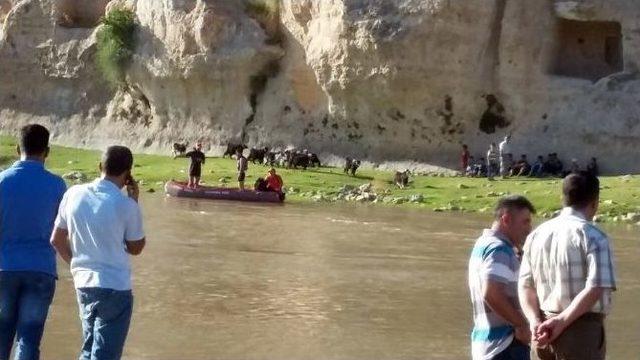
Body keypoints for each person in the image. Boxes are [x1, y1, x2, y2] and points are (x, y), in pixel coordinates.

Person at [50, 146, 146, 360]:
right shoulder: (126, 205)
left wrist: (76, 266)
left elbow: (56, 239)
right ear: (128, 173)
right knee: (105, 354)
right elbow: (136, 247)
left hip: (83, 283)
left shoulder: (73, 194)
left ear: (99, 166)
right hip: (115, 285)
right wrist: (134, 202)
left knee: (88, 348)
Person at [518, 172, 616, 360]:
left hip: (542, 332)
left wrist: (534, 322)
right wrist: (561, 322)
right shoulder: (595, 237)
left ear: (562, 199)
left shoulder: (536, 235)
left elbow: (525, 286)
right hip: (581, 331)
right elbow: (596, 287)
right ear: (595, 202)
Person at [0, 124, 67, 360]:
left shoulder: (1, 181)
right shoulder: (58, 185)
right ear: (47, 151)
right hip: (41, 269)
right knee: (29, 340)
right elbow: (64, 231)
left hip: (4, 268)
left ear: (18, 148)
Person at [468, 196, 536, 360]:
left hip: (486, 343)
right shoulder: (500, 249)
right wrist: (522, 325)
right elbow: (491, 292)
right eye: (525, 222)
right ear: (506, 219)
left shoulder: (483, 244)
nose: (529, 229)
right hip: (505, 345)